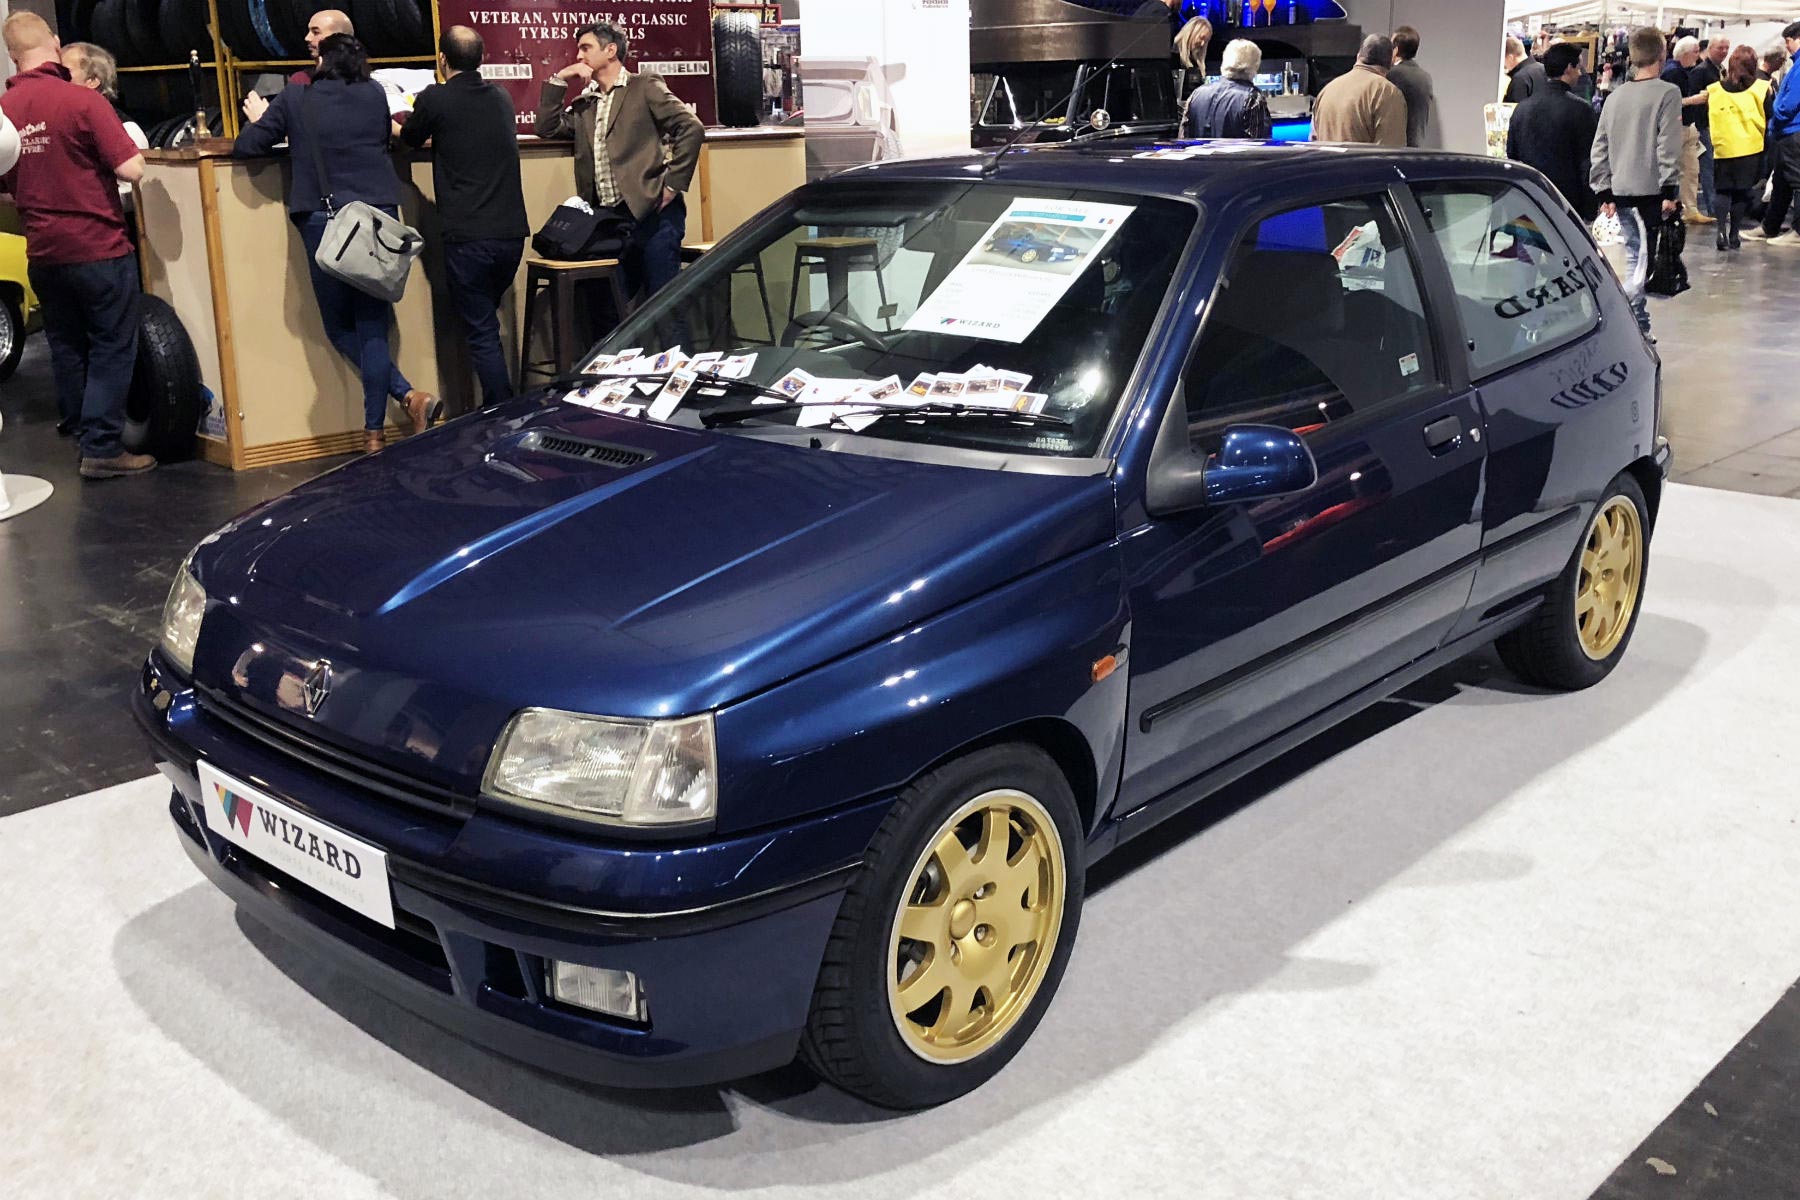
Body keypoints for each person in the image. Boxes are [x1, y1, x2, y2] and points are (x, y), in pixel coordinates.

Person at [234, 32, 439, 455]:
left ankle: (399, 404)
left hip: (325, 220)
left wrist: (260, 119)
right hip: (381, 217)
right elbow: (385, 140)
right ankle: (381, 427)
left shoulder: (296, 98)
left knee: (338, 325)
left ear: (322, 62)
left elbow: (248, 146)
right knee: (372, 322)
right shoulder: (374, 97)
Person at [0, 12, 153, 478]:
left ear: (11, 55)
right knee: (112, 344)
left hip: (43, 250)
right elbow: (132, 170)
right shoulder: (80, 101)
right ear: (55, 41)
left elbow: (5, 188)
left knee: (67, 344)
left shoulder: (4, 111)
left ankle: (80, 427)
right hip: (96, 245)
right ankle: (103, 448)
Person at [399, 26, 528, 409]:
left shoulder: (436, 98)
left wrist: (395, 124)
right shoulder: (502, 97)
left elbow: (408, 139)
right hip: (511, 235)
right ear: (482, 59)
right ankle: (500, 405)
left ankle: (499, 411)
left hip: (468, 237)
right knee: (489, 321)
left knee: (481, 330)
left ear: (442, 60)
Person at [534, 22, 705, 306]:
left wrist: (673, 185)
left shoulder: (644, 86)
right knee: (609, 309)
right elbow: (546, 127)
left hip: (652, 214)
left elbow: (691, 128)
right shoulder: (585, 103)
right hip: (608, 222)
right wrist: (559, 78)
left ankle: (673, 353)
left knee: (664, 307)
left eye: (586, 48)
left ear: (610, 50)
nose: (579, 56)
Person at [1590, 27, 1682, 338]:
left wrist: (1602, 188)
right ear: (1662, 55)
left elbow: (1600, 145)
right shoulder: (1668, 94)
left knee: (1635, 257)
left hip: (1619, 190)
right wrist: (1671, 188)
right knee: (1640, 266)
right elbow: (1668, 144)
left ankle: (1639, 326)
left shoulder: (1614, 97)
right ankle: (1612, 317)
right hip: (1651, 192)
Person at [1507, 42, 1599, 222]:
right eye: (1578, 67)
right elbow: (1587, 162)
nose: (1580, 73)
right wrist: (1589, 211)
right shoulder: (1581, 110)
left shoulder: (1522, 109)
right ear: (1568, 68)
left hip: (1528, 198)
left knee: (1527, 248)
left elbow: (1512, 155)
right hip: (1566, 203)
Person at [60, 43, 149, 218]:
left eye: (65, 72)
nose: (57, 79)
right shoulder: (65, 125)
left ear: (93, 81)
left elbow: (135, 194)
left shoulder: (126, 129)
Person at [1705, 45, 1768, 250]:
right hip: (1750, 149)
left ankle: (1720, 230)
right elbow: (1772, 114)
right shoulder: (1762, 88)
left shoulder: (1714, 89)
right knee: (1742, 193)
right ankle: (1734, 235)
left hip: (1724, 147)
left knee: (1723, 191)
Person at [1311, 35, 1407, 148]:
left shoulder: (1327, 90)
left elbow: (1313, 142)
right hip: (1361, 165)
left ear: (1358, 56)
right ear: (1390, 62)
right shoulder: (1387, 93)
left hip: (1325, 165)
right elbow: (1390, 151)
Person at [1752, 21, 1800, 246]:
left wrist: (1776, 116)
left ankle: (1798, 232)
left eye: (1788, 41)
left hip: (1793, 131)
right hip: (1785, 133)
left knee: (1797, 181)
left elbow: (1790, 103)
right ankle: (1770, 226)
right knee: (1781, 182)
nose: (1787, 47)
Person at [1662, 36, 1714, 224]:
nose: (1698, 55)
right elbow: (1670, 103)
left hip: (1686, 127)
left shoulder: (1678, 71)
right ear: (1686, 53)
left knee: (1691, 169)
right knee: (1681, 170)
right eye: (1695, 51)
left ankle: (1690, 208)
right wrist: (1695, 100)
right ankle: (1683, 207)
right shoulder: (1673, 73)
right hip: (1677, 128)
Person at [1182, 39, 1270, 140]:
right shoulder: (1253, 99)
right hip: (1235, 156)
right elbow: (1259, 148)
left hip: (1198, 155)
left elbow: (1183, 140)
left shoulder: (1196, 94)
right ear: (1255, 66)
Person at [1387, 25, 1437, 148]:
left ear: (1396, 50)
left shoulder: (1393, 74)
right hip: (1417, 145)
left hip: (1397, 146)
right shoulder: (1425, 77)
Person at [1505, 36, 1548, 103]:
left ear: (1510, 58)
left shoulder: (1519, 78)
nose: (1505, 66)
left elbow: (1516, 110)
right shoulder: (1544, 69)